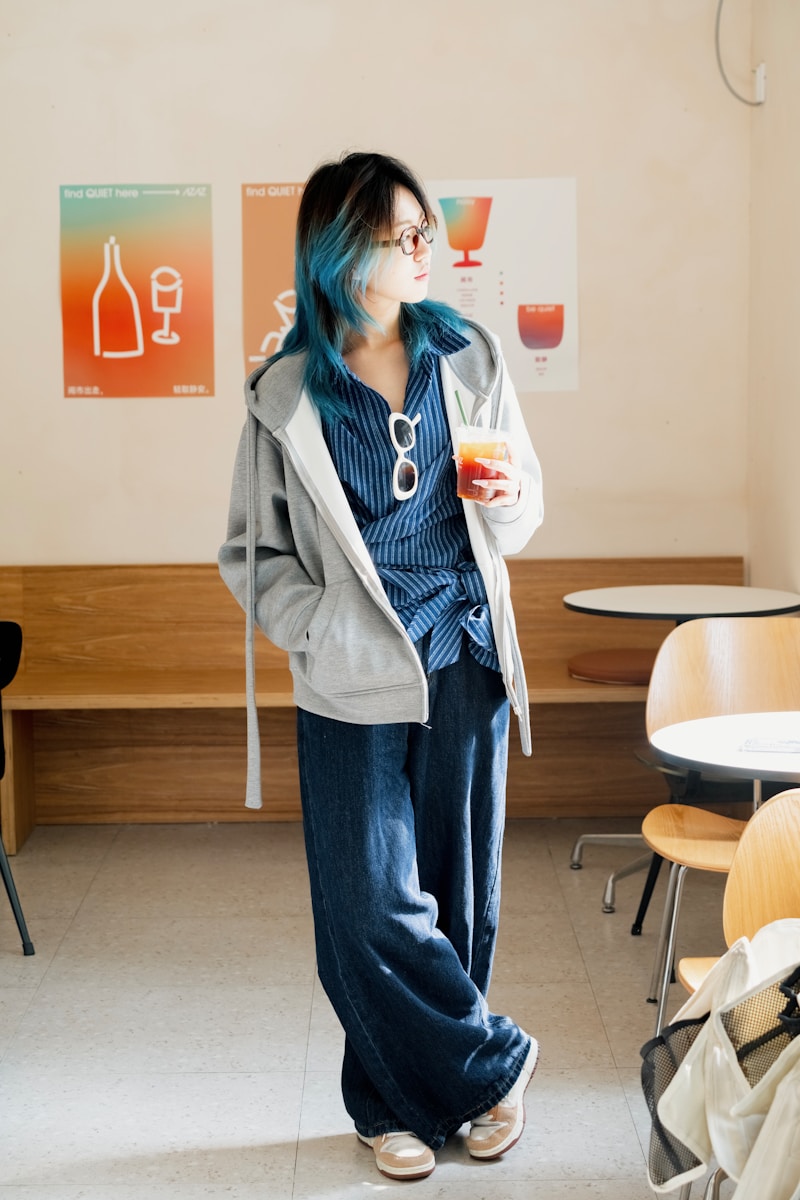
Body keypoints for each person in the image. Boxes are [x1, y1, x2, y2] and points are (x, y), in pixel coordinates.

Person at [219, 150, 544, 1181]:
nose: (420, 248)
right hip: (352, 670)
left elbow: (524, 506)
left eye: (422, 231)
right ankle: (487, 1067)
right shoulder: (284, 393)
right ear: (336, 249)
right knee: (365, 908)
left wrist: (508, 503)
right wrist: (319, 628)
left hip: (464, 650)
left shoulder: (469, 355)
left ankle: (411, 1103)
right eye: (398, 233)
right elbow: (251, 555)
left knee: (457, 893)